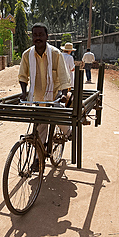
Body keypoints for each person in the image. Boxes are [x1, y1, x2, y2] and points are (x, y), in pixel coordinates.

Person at [18, 23, 72, 170]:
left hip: (54, 95)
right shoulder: (26, 55)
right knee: (40, 127)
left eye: (41, 35)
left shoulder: (55, 54)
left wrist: (62, 93)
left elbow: (63, 77)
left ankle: (68, 132)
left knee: (58, 116)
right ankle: (38, 159)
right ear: (32, 37)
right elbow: (22, 76)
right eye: (35, 35)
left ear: (46, 36)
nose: (38, 38)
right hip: (37, 97)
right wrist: (24, 91)